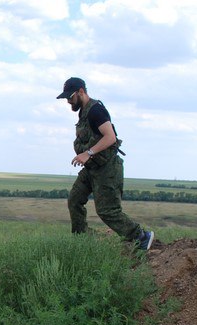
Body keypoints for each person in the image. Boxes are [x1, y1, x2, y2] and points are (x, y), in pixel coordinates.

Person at [57, 77, 154, 251]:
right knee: (75, 200)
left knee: (107, 211)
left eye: (70, 97)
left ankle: (141, 236)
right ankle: (82, 239)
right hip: (92, 168)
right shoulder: (83, 112)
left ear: (81, 91)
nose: (68, 101)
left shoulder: (96, 111)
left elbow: (111, 137)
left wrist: (88, 153)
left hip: (107, 168)